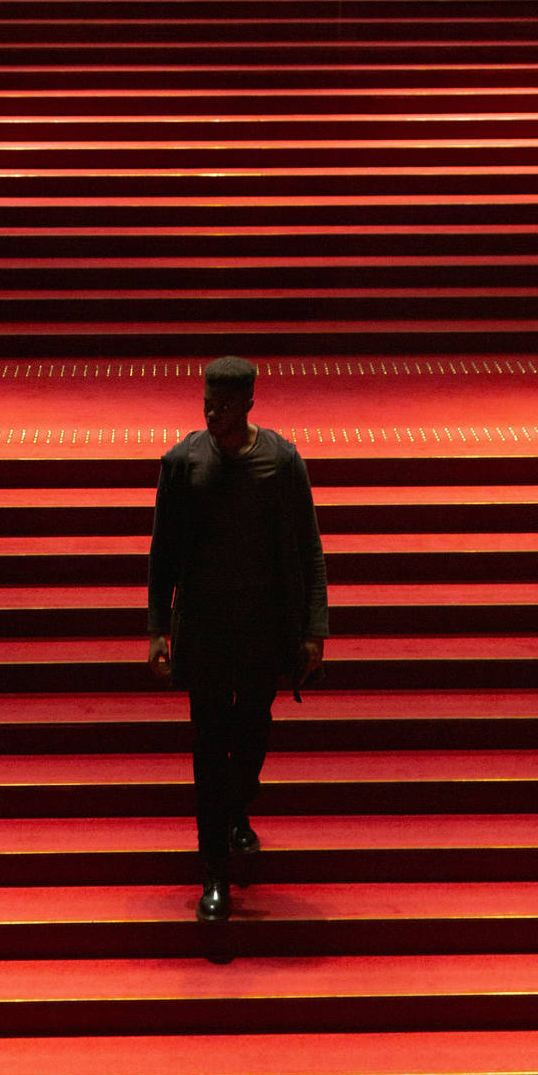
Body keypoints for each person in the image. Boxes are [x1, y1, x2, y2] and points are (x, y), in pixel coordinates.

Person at [147, 356, 328, 923]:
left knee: (251, 734)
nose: (211, 413)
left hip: (261, 628)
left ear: (248, 403)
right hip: (202, 630)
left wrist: (313, 629)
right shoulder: (183, 463)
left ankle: (236, 809)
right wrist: (157, 629)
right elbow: (163, 553)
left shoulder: (280, 460)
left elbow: (308, 547)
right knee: (208, 744)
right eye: (207, 401)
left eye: (223, 404)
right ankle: (214, 869)